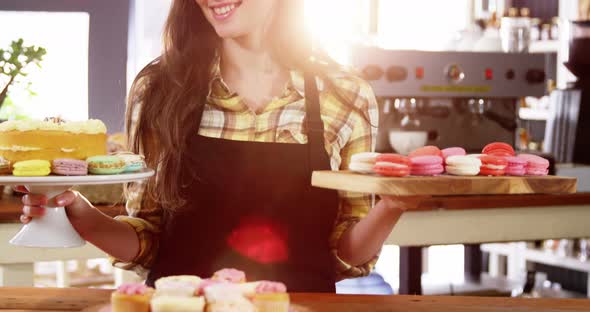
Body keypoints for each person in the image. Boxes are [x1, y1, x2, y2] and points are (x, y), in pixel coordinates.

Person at [19, 0, 418, 292]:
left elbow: (344, 253)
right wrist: (83, 217)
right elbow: (148, 242)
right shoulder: (159, 89)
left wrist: (392, 205)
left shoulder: (345, 96)